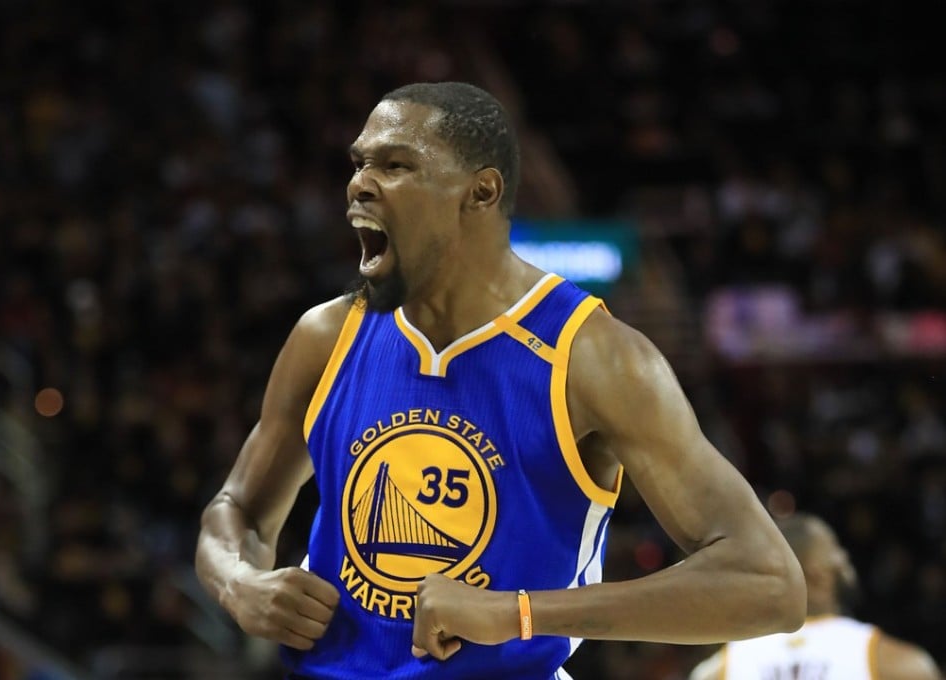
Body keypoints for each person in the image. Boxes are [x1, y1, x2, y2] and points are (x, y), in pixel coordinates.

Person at [194, 81, 806, 680]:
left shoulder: (592, 357)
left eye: (396, 164)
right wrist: (240, 583)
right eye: (359, 165)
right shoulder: (327, 336)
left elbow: (766, 583)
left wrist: (519, 613)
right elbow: (237, 510)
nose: (359, 184)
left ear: (481, 192)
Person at [690, 512, 943, 680]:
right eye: (836, 549)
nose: (844, 557)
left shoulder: (720, 668)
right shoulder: (897, 663)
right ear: (817, 573)